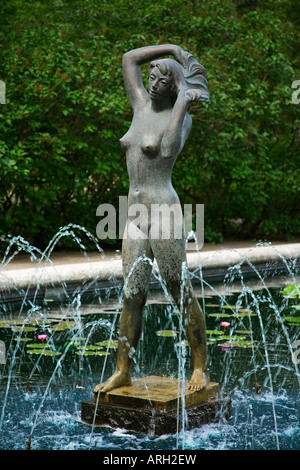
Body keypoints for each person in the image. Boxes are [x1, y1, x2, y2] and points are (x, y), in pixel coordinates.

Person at [100, 45, 210, 392]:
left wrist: (183, 103)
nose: (154, 84)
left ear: (174, 87)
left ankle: (200, 368)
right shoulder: (139, 104)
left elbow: (166, 147)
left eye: (163, 81)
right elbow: (128, 59)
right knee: (132, 293)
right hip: (135, 213)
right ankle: (123, 370)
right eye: (152, 78)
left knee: (179, 290)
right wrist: (172, 50)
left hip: (164, 210)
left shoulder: (183, 117)